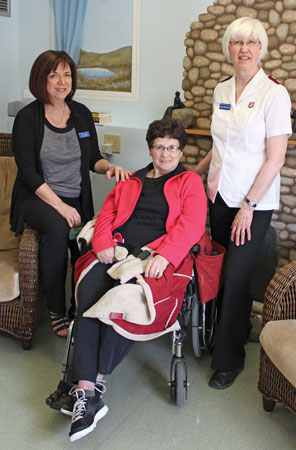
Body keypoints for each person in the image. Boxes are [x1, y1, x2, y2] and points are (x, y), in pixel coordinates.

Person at [63, 118, 207, 441]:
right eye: (160, 146)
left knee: (122, 301)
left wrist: (166, 255)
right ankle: (88, 392)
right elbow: (106, 215)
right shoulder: (132, 180)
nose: (166, 153)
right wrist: (102, 245)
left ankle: (94, 380)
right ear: (150, 149)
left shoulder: (189, 182)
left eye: (172, 148)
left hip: (152, 257)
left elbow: (193, 224)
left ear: (181, 151)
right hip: (117, 251)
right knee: (87, 294)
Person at [195, 17, 292, 389]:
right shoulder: (221, 90)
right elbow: (219, 148)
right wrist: (193, 174)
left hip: (252, 204)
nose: (244, 48)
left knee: (236, 278)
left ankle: (229, 360)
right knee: (221, 275)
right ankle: (224, 335)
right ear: (228, 49)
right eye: (237, 42)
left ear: (262, 48)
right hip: (219, 197)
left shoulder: (274, 94)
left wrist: (249, 205)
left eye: (251, 42)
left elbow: (276, 158)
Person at [10, 50, 130, 337]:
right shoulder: (28, 118)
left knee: (86, 240)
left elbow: (94, 159)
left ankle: (81, 303)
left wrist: (109, 167)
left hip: (76, 196)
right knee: (56, 226)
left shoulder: (81, 114)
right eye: (54, 75)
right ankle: (55, 308)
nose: (62, 81)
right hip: (37, 197)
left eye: (67, 74)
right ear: (41, 79)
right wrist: (61, 208)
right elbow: (29, 174)